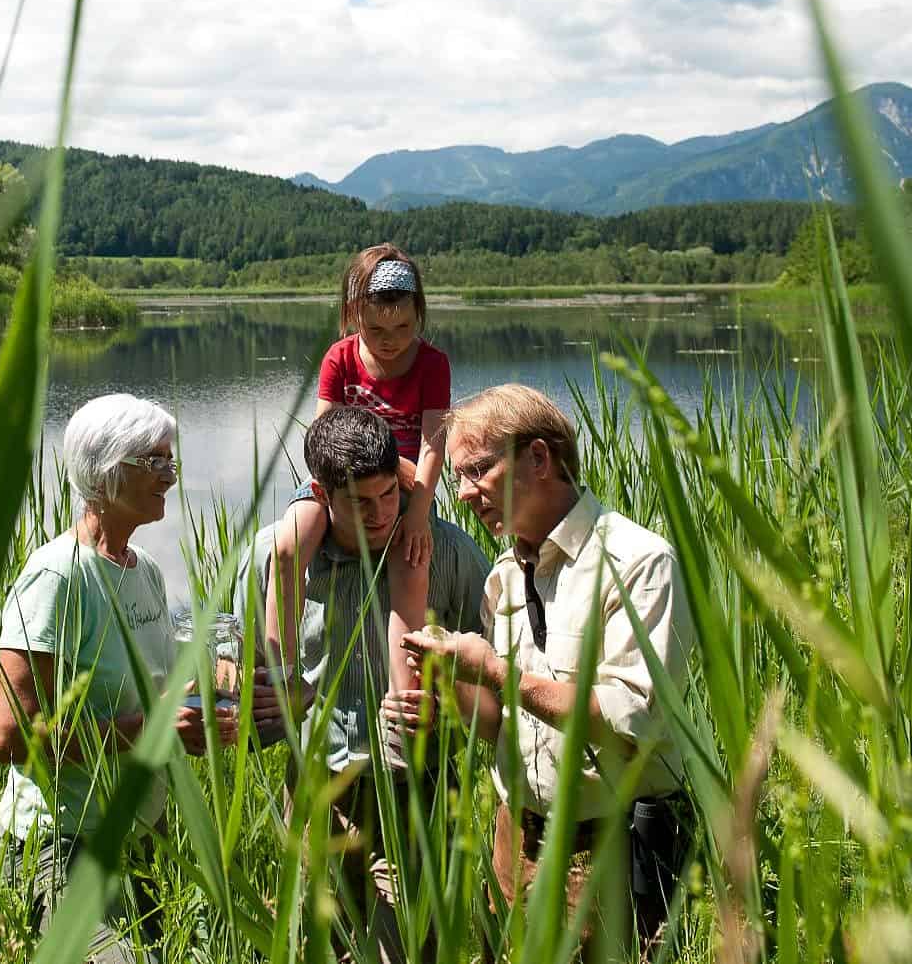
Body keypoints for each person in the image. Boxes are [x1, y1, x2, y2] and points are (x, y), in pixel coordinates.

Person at [395, 384, 694, 956]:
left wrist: (497, 671)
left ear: (538, 457)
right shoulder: (504, 573)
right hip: (516, 839)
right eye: (456, 476)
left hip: (608, 846)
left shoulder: (638, 562)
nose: (461, 493)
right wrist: (451, 678)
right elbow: (496, 723)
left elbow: (632, 722)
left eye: (476, 470)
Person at [0, 394, 242, 964]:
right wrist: (145, 731)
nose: (170, 478)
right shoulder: (56, 577)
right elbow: (8, 739)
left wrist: (198, 713)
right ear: (107, 469)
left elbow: (153, 695)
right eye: (154, 462)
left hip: (138, 835)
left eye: (170, 462)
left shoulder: (142, 570)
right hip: (62, 845)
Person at [240, 405, 491, 964]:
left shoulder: (445, 552)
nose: (382, 515)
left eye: (388, 496)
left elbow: (495, 670)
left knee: (407, 946)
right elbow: (248, 672)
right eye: (361, 503)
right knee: (318, 943)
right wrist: (276, 700)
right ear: (320, 493)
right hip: (316, 786)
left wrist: (447, 705)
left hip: (416, 786)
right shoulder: (273, 558)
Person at [266, 245, 451, 700]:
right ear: (353, 315)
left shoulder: (432, 364)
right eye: (375, 329)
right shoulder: (340, 357)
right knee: (288, 546)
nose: (390, 339)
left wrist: (419, 512)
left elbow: (434, 444)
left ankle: (404, 698)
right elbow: (321, 435)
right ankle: (284, 678)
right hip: (341, 475)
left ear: (419, 313)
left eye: (403, 327)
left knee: (410, 562)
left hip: (406, 488)